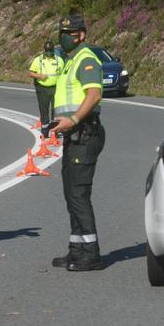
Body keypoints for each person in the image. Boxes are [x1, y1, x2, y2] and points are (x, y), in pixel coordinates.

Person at [49, 14, 106, 271]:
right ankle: (76, 249)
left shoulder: (86, 59)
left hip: (84, 133)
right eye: (62, 32)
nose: (63, 37)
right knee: (71, 194)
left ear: (81, 35)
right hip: (74, 135)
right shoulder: (69, 61)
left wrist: (72, 119)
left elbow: (93, 94)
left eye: (69, 33)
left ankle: (91, 254)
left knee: (79, 194)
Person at [28, 40, 64, 136]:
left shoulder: (59, 60)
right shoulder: (38, 60)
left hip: (56, 88)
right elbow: (30, 73)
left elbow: (64, 74)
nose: (49, 53)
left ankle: (55, 130)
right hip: (42, 88)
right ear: (44, 50)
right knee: (44, 109)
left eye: (50, 51)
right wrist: (39, 76)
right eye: (47, 51)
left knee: (55, 109)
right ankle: (44, 131)